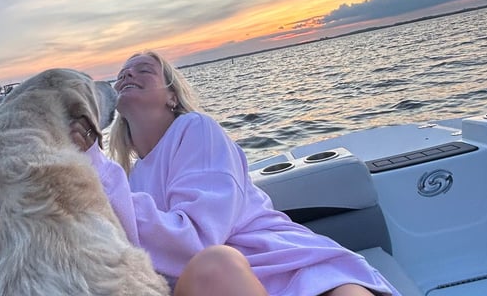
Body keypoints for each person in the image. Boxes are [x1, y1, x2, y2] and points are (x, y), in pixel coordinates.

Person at [72, 51, 400, 296]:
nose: (127, 75)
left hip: (281, 261)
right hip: (210, 283)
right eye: (122, 74)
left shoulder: (194, 128)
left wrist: (93, 165)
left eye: (143, 70)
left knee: (217, 265)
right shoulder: (128, 178)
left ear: (172, 95)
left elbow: (197, 241)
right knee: (214, 269)